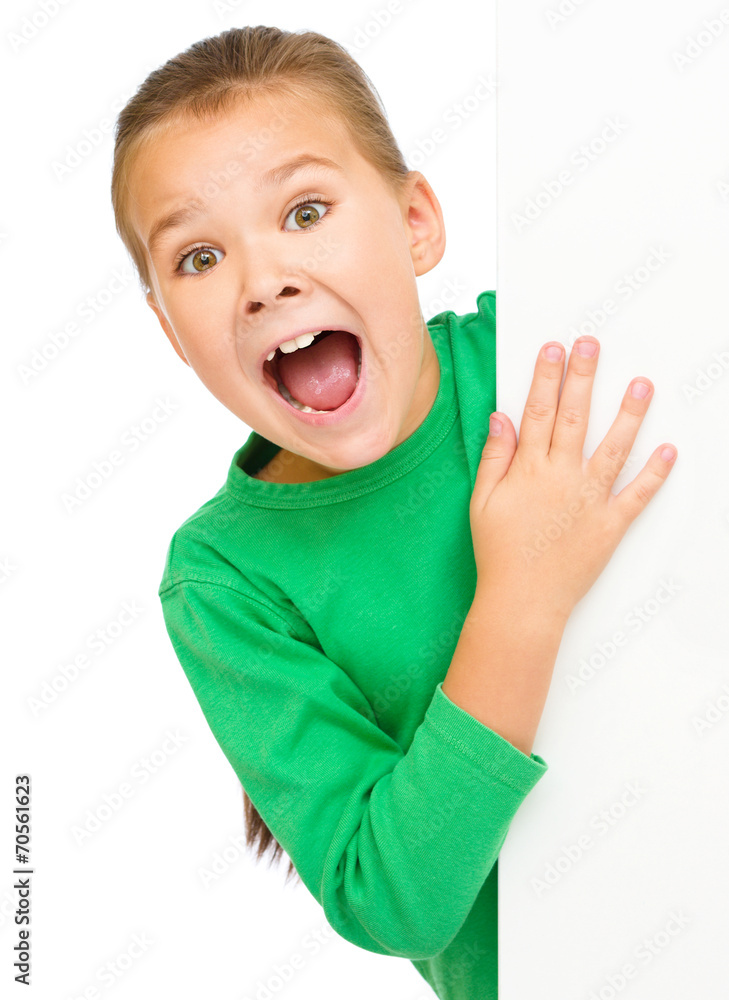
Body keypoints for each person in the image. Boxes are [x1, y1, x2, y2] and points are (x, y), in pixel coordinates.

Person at [110, 25, 677, 1000]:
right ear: (168, 327)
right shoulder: (224, 580)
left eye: (306, 209)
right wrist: (520, 597)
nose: (265, 280)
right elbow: (395, 901)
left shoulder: (541, 352)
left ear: (416, 221)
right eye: (200, 256)